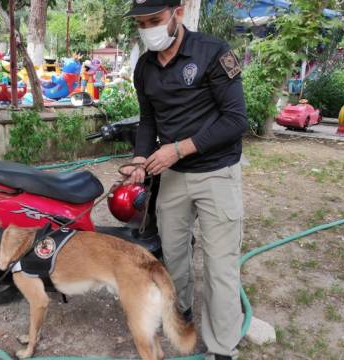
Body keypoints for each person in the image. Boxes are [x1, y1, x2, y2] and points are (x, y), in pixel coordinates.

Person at [122, 1, 248, 359]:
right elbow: (148, 121)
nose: (149, 29)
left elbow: (236, 120)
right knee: (173, 257)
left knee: (220, 266)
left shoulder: (214, 53)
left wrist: (178, 149)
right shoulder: (145, 67)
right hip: (173, 176)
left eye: (155, 20)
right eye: (142, 23)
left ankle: (223, 348)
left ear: (177, 12)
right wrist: (139, 160)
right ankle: (184, 313)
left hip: (216, 172)